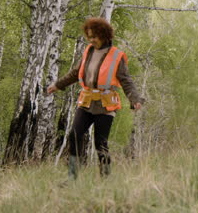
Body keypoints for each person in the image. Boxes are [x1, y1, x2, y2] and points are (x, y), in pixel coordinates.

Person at [47, 17, 143, 179]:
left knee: (100, 143)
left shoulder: (116, 56)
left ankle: (105, 178)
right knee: (74, 135)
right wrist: (58, 85)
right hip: (86, 102)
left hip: (106, 105)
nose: (91, 40)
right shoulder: (88, 51)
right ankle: (72, 177)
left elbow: (126, 80)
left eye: (94, 36)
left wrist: (135, 99)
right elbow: (75, 73)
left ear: (104, 35)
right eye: (89, 36)